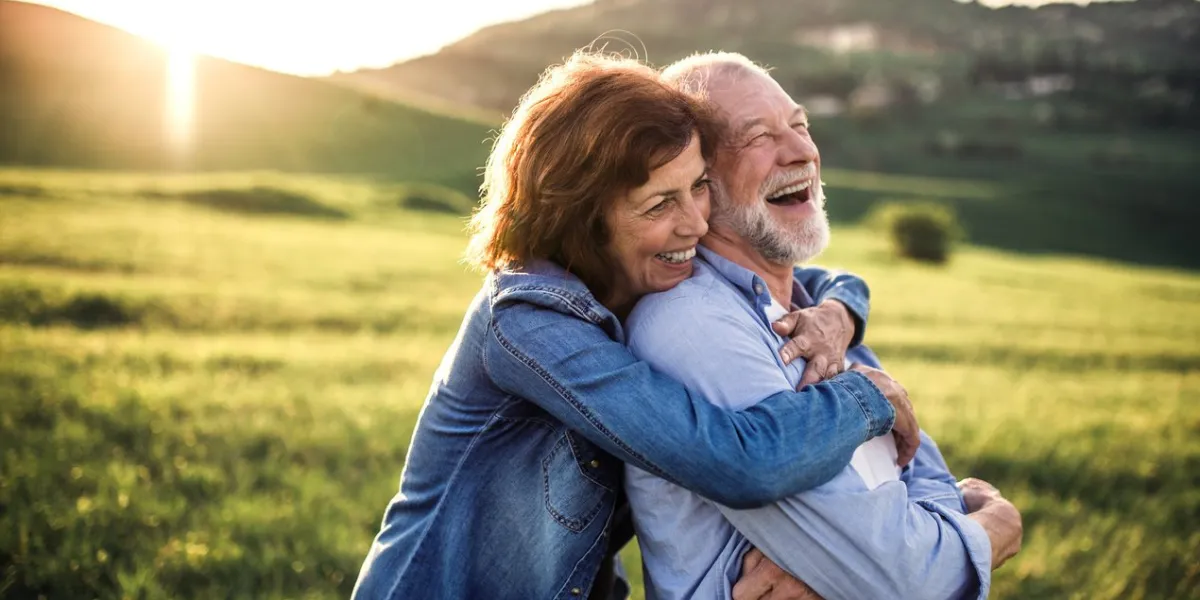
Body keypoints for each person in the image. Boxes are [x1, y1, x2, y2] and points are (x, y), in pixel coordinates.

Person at [351, 51, 921, 599]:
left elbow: (820, 280)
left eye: (698, 185)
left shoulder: (643, 274)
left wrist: (838, 314)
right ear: (581, 219)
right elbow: (737, 462)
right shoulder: (528, 323)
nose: (696, 224)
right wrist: (867, 395)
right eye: (659, 206)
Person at [623, 52, 1024, 600]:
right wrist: (992, 530)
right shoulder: (693, 326)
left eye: (800, 124)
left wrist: (928, 531)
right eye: (760, 136)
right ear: (697, 181)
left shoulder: (819, 318)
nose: (802, 151)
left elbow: (919, 474)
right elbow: (903, 581)